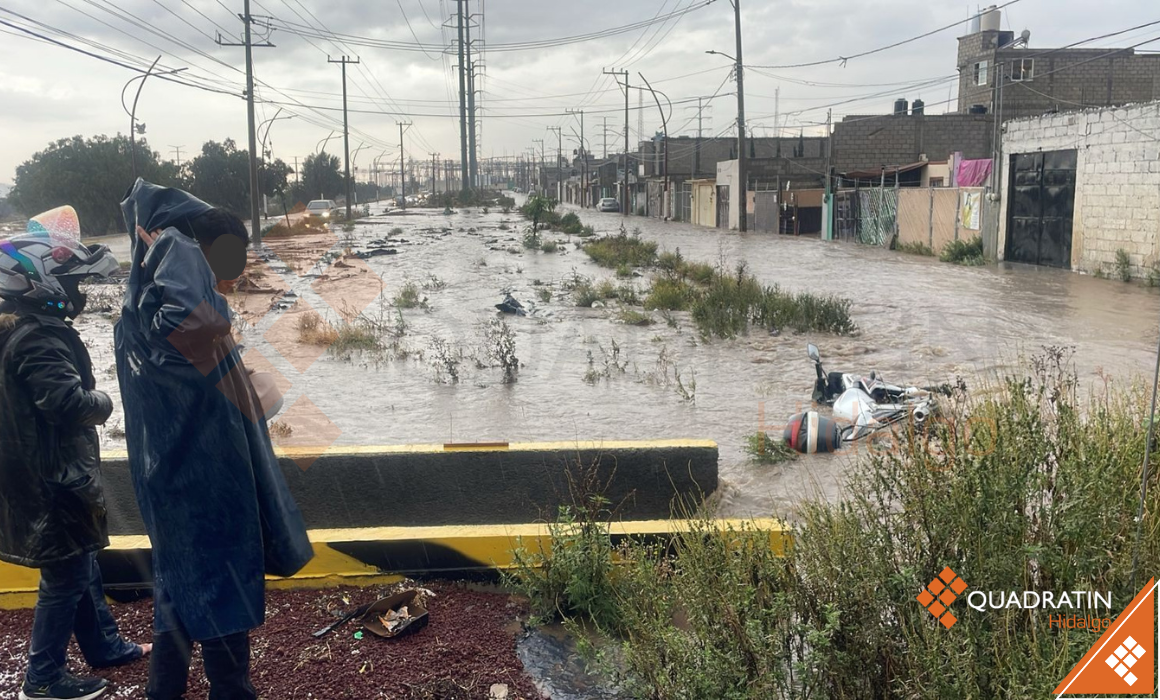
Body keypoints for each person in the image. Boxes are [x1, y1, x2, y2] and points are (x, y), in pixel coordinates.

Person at [114, 180, 312, 700]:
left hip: (168, 478)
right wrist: (174, 253)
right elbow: (196, 323)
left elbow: (202, 350)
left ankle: (166, 692)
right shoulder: (180, 312)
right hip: (203, 485)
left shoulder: (139, 318)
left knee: (177, 591)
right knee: (221, 594)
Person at [0, 206, 150, 700]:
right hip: (52, 480)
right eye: (70, 282)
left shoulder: (18, 332)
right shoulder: (40, 338)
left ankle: (103, 644)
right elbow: (67, 404)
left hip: (42, 473)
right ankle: (41, 679)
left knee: (80, 563)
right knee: (64, 575)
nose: (78, 291)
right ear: (41, 283)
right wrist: (107, 399)